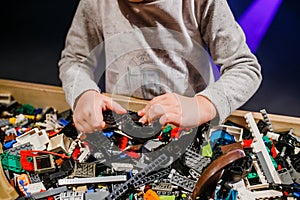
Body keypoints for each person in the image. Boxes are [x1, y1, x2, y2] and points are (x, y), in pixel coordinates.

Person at [59, 0, 262, 134]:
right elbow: (75, 59)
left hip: (188, 130)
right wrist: (83, 92)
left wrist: (203, 105)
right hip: (124, 127)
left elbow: (244, 67)